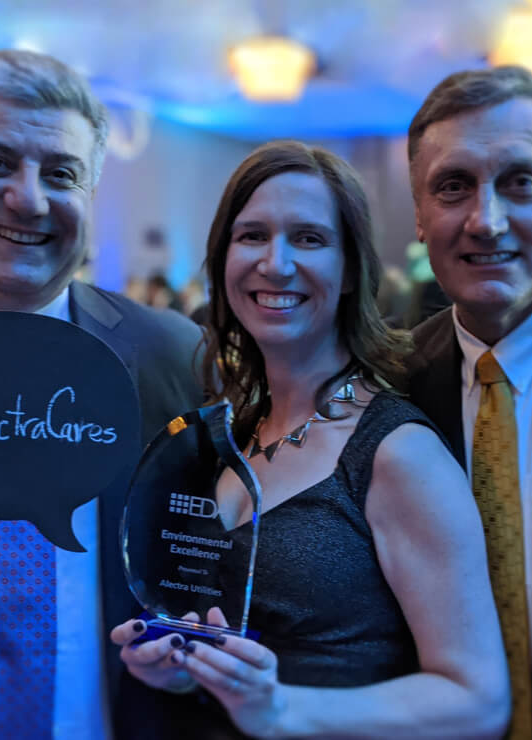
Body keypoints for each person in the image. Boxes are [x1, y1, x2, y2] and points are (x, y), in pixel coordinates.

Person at [112, 141, 510, 739]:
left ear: (351, 269)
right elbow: (239, 648)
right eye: (252, 236)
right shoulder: (231, 432)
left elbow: (476, 700)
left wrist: (282, 712)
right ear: (223, 259)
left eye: (308, 238)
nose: (275, 263)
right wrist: (182, 665)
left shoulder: (397, 452)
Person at [0, 49, 202, 740]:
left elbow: (202, 566)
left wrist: (196, 644)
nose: (29, 198)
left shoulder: (173, 358)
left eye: (60, 174)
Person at [405, 66, 532, 739]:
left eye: (520, 182)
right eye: (453, 186)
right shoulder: (386, 386)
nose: (486, 220)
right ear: (418, 215)